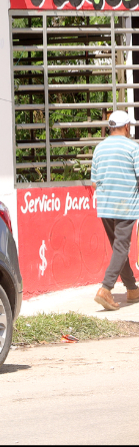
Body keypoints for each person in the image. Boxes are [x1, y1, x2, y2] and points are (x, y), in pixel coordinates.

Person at [90, 109, 139, 312]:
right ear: (127, 126)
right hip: (126, 205)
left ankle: (132, 289)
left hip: (105, 206)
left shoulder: (99, 149)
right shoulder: (132, 148)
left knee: (119, 248)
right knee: (121, 248)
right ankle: (106, 288)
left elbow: (94, 183)